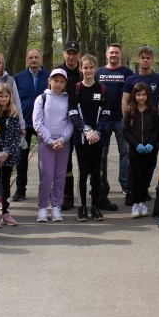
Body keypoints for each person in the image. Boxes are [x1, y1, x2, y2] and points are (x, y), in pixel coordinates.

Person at [121, 46, 159, 206]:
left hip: (151, 127)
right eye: (142, 57)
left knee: (150, 162)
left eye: (148, 58)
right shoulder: (131, 80)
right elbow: (125, 100)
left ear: (152, 60)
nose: (145, 60)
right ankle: (131, 191)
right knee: (132, 162)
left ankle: (144, 189)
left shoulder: (158, 79)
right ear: (138, 59)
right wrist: (127, 119)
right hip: (135, 126)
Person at [68, 54, 110, 222]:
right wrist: (86, 130)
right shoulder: (75, 89)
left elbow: (106, 114)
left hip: (97, 139)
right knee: (83, 173)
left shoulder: (103, 90)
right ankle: (82, 207)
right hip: (81, 139)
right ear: (81, 69)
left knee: (96, 173)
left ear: (95, 68)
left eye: (91, 67)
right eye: (85, 68)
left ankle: (95, 207)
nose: (88, 71)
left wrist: (97, 132)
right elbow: (72, 113)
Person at [94, 43, 133, 210]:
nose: (114, 55)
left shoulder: (127, 73)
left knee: (125, 153)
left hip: (121, 120)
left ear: (120, 55)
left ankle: (125, 184)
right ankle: (102, 185)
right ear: (106, 54)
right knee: (101, 154)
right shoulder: (99, 73)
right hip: (103, 120)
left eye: (117, 53)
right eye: (111, 52)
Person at [33, 68, 74, 223]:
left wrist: (62, 139)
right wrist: (49, 140)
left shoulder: (68, 99)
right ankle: (43, 207)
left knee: (60, 176)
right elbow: (38, 122)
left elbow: (70, 121)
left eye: (62, 81)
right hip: (46, 142)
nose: (58, 84)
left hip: (63, 142)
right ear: (49, 81)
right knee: (46, 175)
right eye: (55, 81)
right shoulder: (42, 98)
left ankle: (56, 206)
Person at [12, 48, 49, 202]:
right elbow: (13, 100)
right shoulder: (18, 78)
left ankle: (46, 190)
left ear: (41, 59)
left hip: (44, 123)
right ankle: (20, 190)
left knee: (45, 160)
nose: (34, 60)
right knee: (21, 159)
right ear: (26, 60)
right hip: (24, 124)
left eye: (36, 57)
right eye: (31, 58)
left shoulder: (49, 76)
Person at [123, 82, 159, 218]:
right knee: (135, 177)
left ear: (147, 95)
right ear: (134, 95)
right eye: (138, 94)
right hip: (135, 150)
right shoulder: (130, 111)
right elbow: (125, 131)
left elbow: (156, 130)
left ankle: (143, 202)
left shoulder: (153, 111)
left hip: (149, 151)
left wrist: (151, 143)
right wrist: (135, 144)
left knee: (146, 176)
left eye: (144, 94)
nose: (141, 97)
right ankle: (135, 203)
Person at [0, 83, 21, 228]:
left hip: (8, 156)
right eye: (0, 96)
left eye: (6, 96)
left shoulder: (13, 114)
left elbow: (16, 136)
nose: (3, 99)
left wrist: (6, 152)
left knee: (6, 183)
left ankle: (6, 211)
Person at [56, 41, 82, 210]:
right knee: (66, 163)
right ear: (64, 54)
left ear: (78, 55)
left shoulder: (84, 71)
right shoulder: (58, 72)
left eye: (74, 53)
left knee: (86, 160)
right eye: (68, 53)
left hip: (82, 123)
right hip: (63, 123)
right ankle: (67, 195)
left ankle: (93, 195)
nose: (71, 57)